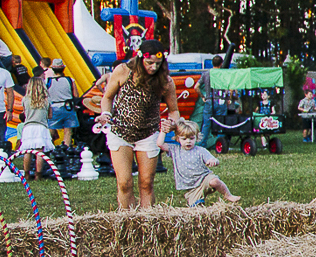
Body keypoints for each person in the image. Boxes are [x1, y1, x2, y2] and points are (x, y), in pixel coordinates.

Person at [97, 40, 178, 210]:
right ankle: (128, 219)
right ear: (140, 59)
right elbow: (107, 97)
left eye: (158, 64)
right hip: (120, 131)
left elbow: (174, 111)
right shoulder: (123, 71)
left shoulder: (166, 81)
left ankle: (147, 219)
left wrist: (172, 124)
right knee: (124, 183)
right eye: (149, 63)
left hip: (148, 133)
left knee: (146, 183)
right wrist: (105, 114)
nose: (154, 67)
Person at [168, 119, 240, 205]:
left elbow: (214, 160)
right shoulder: (175, 150)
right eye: (184, 139)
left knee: (215, 181)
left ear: (197, 137)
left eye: (191, 138)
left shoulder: (200, 150)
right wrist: (163, 131)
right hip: (192, 187)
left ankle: (228, 195)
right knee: (196, 207)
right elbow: (160, 144)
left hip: (204, 178)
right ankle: (199, 202)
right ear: (177, 138)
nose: (188, 141)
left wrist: (213, 161)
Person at [15, 74, 54, 160]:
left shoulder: (25, 99)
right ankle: (39, 169)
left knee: (27, 151)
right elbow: (50, 116)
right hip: (41, 126)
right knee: (40, 152)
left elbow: (25, 113)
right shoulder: (46, 99)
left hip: (28, 127)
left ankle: (26, 169)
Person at [43, 59, 79, 144]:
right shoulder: (70, 80)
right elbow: (76, 95)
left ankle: (48, 146)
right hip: (68, 107)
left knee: (51, 129)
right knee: (68, 131)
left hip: (53, 107)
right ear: (63, 69)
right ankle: (66, 148)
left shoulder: (47, 81)